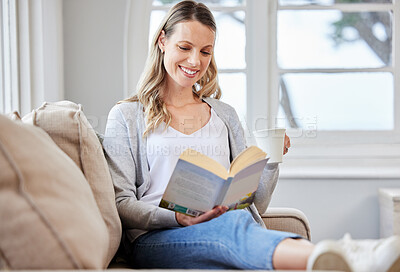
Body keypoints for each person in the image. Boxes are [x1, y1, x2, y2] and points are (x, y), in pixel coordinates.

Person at [102, 1, 400, 270]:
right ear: (162, 41)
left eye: (205, 52)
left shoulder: (225, 115)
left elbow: (253, 206)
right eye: (185, 47)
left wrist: (270, 162)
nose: (195, 61)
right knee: (232, 225)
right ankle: (344, 255)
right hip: (158, 239)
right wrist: (179, 217)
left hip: (228, 226)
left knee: (234, 227)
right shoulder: (126, 116)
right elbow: (122, 203)